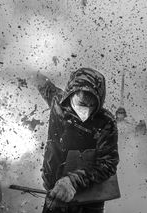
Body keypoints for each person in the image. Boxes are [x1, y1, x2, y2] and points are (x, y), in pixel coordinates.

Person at [33, 68, 119, 213]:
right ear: (71, 93)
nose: (85, 110)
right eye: (81, 103)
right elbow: (41, 81)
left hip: (88, 198)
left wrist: (72, 181)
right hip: (55, 191)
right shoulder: (57, 101)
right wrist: (25, 68)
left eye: (92, 105)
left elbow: (108, 164)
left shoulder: (105, 122)